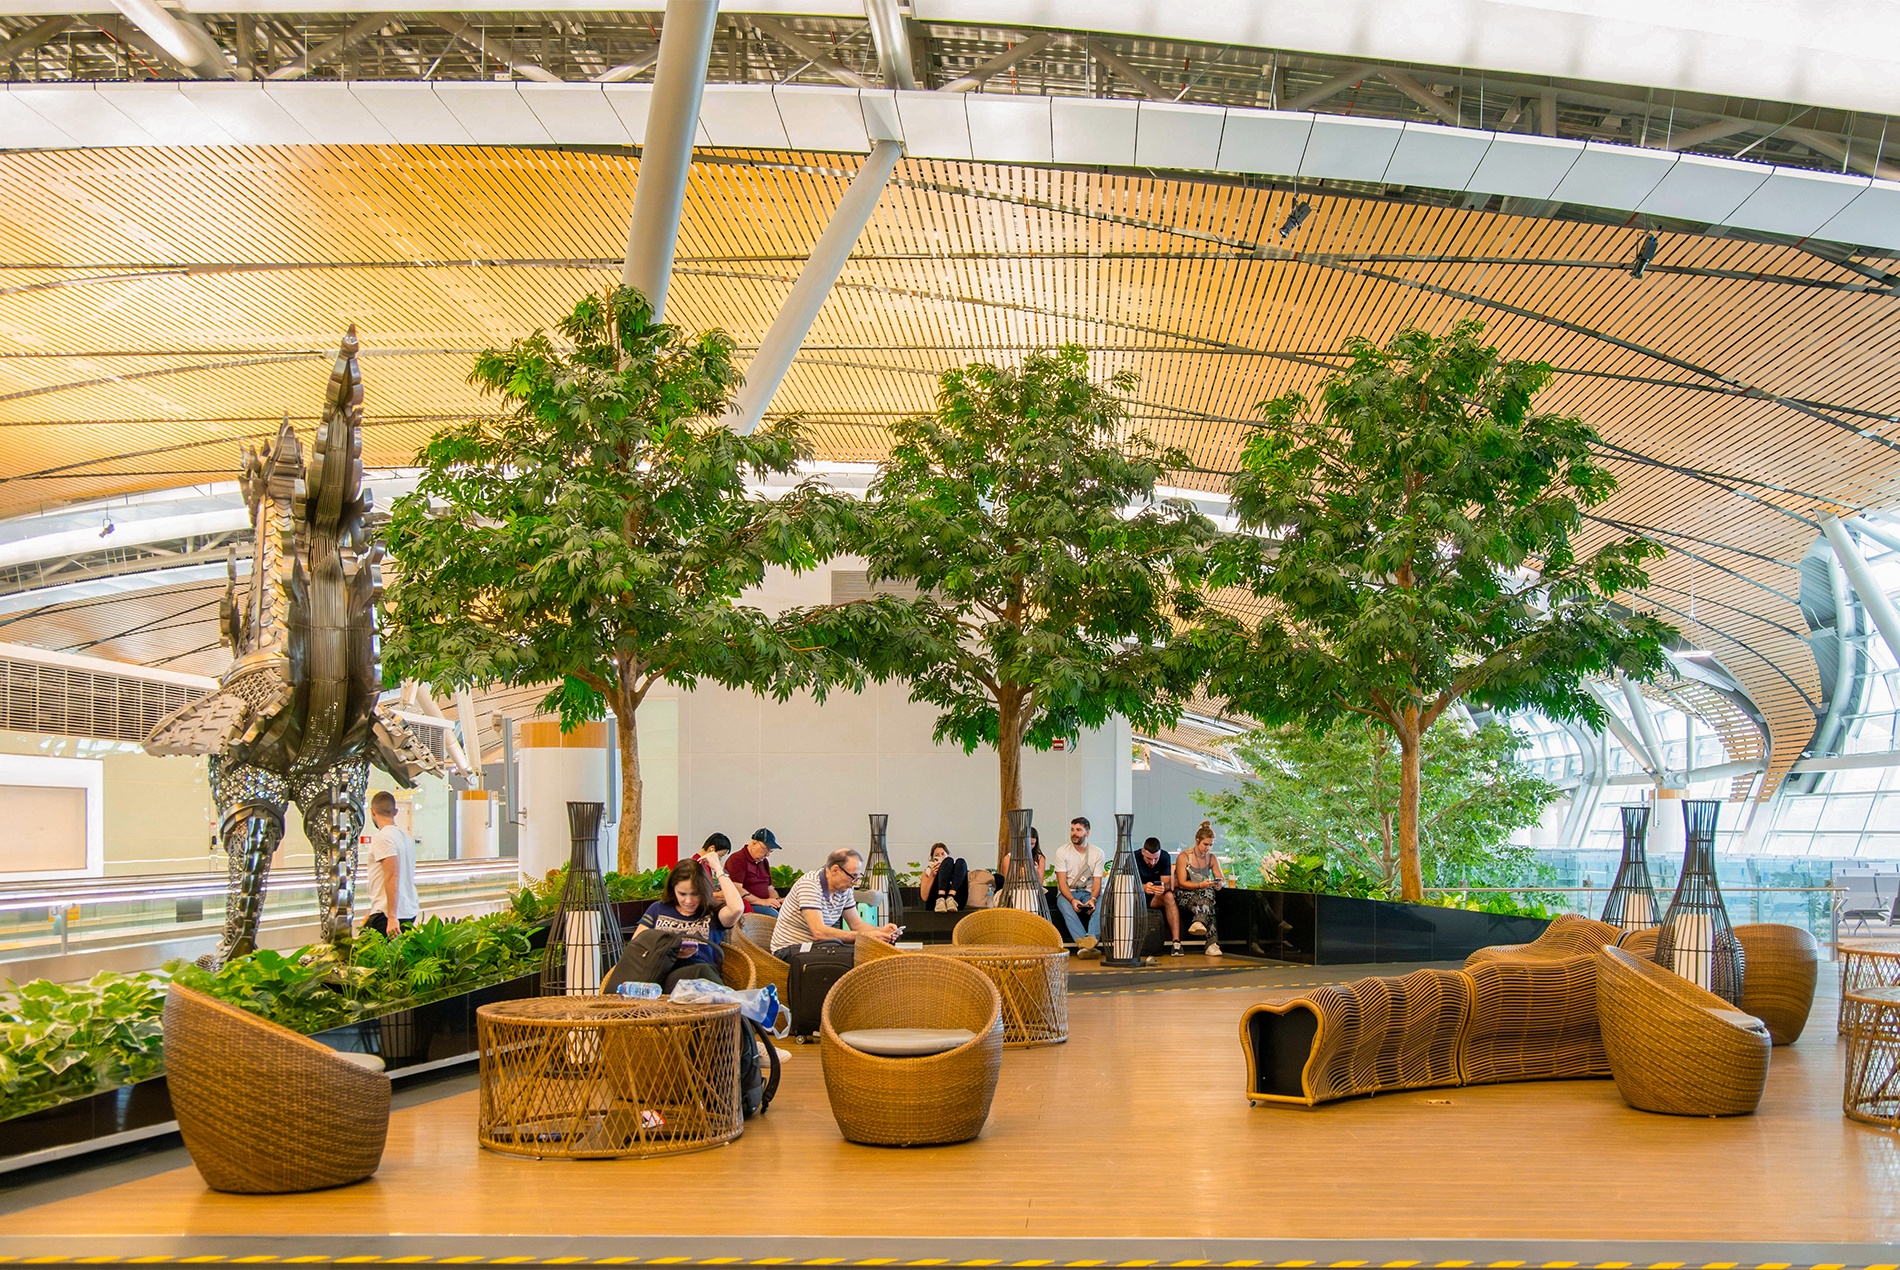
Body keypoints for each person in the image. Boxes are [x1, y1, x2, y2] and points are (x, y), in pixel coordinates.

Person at [631, 858, 746, 990]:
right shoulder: (658, 909)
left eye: (695, 894)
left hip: (702, 979)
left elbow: (737, 908)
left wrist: (718, 868)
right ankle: (740, 1002)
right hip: (662, 975)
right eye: (682, 894)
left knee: (700, 971)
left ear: (704, 891)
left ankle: (736, 1002)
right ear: (673, 889)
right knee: (698, 973)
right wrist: (670, 951)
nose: (688, 901)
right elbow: (637, 945)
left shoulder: (713, 913)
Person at [770, 848, 898, 953]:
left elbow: (857, 925)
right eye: (852, 877)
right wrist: (867, 937)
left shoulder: (844, 889)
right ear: (835, 870)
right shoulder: (810, 885)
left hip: (817, 948)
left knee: (867, 953)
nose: (855, 883)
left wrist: (881, 931)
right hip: (791, 949)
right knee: (855, 957)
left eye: (858, 877)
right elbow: (819, 932)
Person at [361, 790, 418, 937]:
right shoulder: (405, 837)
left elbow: (392, 875)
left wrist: (391, 917)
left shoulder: (383, 837)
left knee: (359, 955)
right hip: (406, 910)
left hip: (390, 916)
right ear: (396, 811)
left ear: (372, 812)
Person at [1175, 820, 1227, 957]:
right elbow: (1181, 883)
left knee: (1208, 893)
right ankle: (1212, 944)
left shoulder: (1211, 858)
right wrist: (1200, 885)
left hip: (1204, 893)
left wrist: (1219, 883)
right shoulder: (1184, 856)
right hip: (1185, 893)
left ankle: (1199, 921)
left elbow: (1221, 878)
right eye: (1205, 844)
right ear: (1197, 840)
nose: (1208, 848)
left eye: (1210, 845)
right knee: (1209, 903)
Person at [1055, 816, 1105, 956]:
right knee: (1066, 907)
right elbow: (1062, 882)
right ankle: (1085, 943)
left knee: (1102, 902)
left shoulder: (1097, 853)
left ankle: (1091, 938)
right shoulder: (1062, 852)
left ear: (1087, 833)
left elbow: (1097, 882)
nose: (1074, 833)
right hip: (1068, 892)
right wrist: (1072, 900)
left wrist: (1093, 899)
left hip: (1089, 892)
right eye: (1072, 830)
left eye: (1078, 830)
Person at [1137, 835, 1183, 956]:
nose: (1152, 862)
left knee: (1169, 896)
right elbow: (1127, 884)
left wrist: (1162, 887)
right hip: (1138, 896)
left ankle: (1176, 943)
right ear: (1143, 852)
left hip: (1156, 896)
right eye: (1148, 859)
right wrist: (1144, 887)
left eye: (1155, 859)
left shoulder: (1164, 857)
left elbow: (1167, 883)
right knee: (1130, 896)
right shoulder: (1133, 857)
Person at [724, 829, 782, 916]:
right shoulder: (737, 859)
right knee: (772, 914)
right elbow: (736, 890)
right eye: (765, 849)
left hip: (765, 904)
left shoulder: (764, 862)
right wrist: (763, 902)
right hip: (747, 906)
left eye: (770, 850)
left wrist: (777, 900)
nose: (767, 854)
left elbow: (770, 888)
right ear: (754, 843)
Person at [996, 827, 1047, 906]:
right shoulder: (1009, 858)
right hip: (1014, 891)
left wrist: (1033, 872)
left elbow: (1040, 883)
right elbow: (1008, 882)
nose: (1029, 847)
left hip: (1033, 891)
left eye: (1032, 844)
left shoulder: (1040, 858)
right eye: (1027, 843)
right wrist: (1019, 873)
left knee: (1030, 896)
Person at [920, 842, 968, 911]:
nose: (940, 857)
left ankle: (951, 897)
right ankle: (941, 899)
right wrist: (932, 876)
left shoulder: (956, 870)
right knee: (948, 862)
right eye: (937, 855)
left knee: (961, 862)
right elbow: (924, 897)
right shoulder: (927, 872)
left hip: (956, 901)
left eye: (943, 854)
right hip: (934, 902)